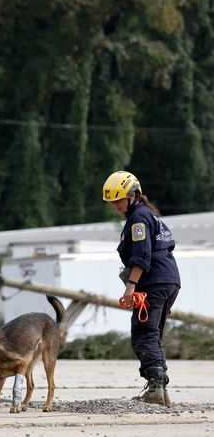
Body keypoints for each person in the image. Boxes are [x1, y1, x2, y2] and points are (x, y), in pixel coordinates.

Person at [102, 171, 181, 406]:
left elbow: (141, 255)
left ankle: (156, 389)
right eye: (112, 201)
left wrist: (131, 286)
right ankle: (161, 392)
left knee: (143, 333)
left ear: (133, 195)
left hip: (153, 282)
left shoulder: (138, 219)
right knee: (153, 334)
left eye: (118, 199)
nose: (115, 205)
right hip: (169, 280)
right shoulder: (150, 216)